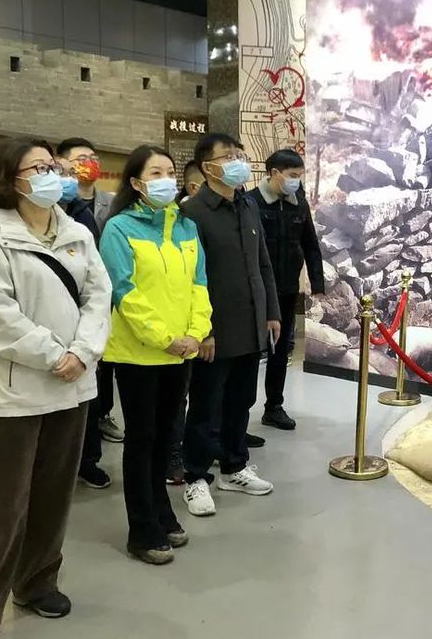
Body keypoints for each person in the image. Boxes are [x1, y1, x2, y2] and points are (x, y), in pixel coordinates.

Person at [0, 137, 111, 639]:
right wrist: (54, 355)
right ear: (10, 179)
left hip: (73, 385)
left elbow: (99, 296)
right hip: (17, 390)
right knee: (4, 504)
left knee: (53, 494)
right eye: (38, 168)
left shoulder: (76, 233)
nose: (52, 175)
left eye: (53, 166)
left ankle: (38, 582)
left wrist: (83, 352)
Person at [99, 145, 212, 565]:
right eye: (155, 173)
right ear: (135, 182)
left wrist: (196, 332)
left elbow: (199, 284)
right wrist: (165, 338)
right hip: (138, 354)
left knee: (166, 437)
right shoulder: (119, 229)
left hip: (180, 352)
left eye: (170, 172)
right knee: (142, 439)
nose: (166, 180)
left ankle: (162, 511)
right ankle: (142, 528)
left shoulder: (186, 226)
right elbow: (123, 291)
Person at [181, 133, 280, 517]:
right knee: (205, 407)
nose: (239, 161)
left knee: (241, 401)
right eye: (229, 156)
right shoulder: (193, 213)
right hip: (214, 330)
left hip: (250, 325)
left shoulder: (247, 205)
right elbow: (190, 278)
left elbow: (262, 262)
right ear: (208, 167)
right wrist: (203, 331)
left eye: (240, 153)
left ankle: (234, 467)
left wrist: (271, 312)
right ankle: (195, 476)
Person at [249, 149, 325, 430]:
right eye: (292, 175)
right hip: (255, 292)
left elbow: (310, 245)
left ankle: (274, 407)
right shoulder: (250, 203)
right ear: (274, 173)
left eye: (300, 176)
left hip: (287, 289)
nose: (297, 181)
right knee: (249, 354)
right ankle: (236, 417)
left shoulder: (298, 204)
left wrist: (317, 283)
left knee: (281, 351)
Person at [56, 137, 123, 447]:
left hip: (104, 292)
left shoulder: (112, 202)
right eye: (81, 159)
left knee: (103, 363)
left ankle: (102, 415)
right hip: (68, 293)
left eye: (94, 157)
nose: (90, 163)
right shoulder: (56, 201)